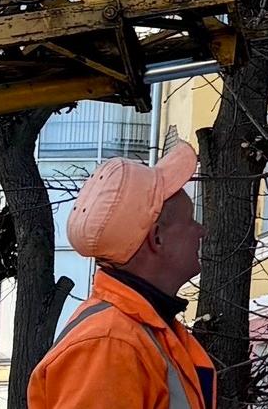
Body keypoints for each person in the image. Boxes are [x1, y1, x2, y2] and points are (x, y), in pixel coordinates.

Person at [30, 140, 215, 409]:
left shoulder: (137, 333)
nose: (201, 231)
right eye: (189, 220)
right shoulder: (109, 344)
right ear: (157, 238)